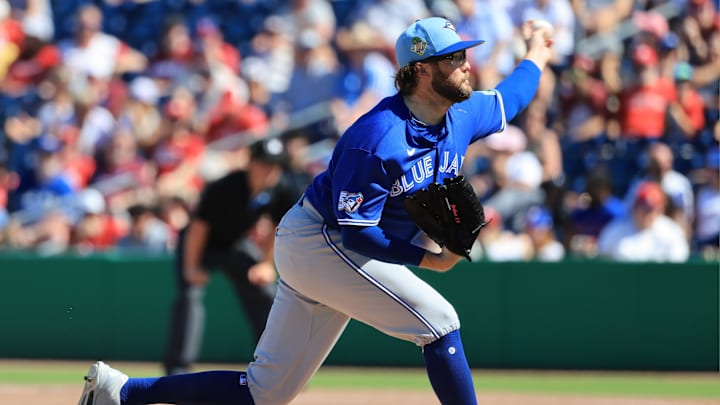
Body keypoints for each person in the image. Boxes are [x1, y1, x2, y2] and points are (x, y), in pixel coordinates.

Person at [76, 16, 553, 405]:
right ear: (422, 70)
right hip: (321, 241)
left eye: (465, 54)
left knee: (265, 393)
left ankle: (120, 391)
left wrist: (537, 51)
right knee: (439, 321)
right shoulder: (377, 138)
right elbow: (356, 235)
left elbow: (514, 95)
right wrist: (431, 261)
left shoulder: (462, 115)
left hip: (336, 251)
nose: (467, 65)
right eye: (454, 57)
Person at [162, 136, 306, 376]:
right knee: (189, 298)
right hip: (199, 246)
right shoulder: (225, 187)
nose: (270, 170)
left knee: (266, 294)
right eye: (264, 163)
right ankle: (178, 367)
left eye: (275, 164)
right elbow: (198, 229)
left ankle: (276, 368)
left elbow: (278, 227)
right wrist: (191, 268)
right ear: (250, 163)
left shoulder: (282, 188)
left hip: (233, 245)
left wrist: (264, 264)